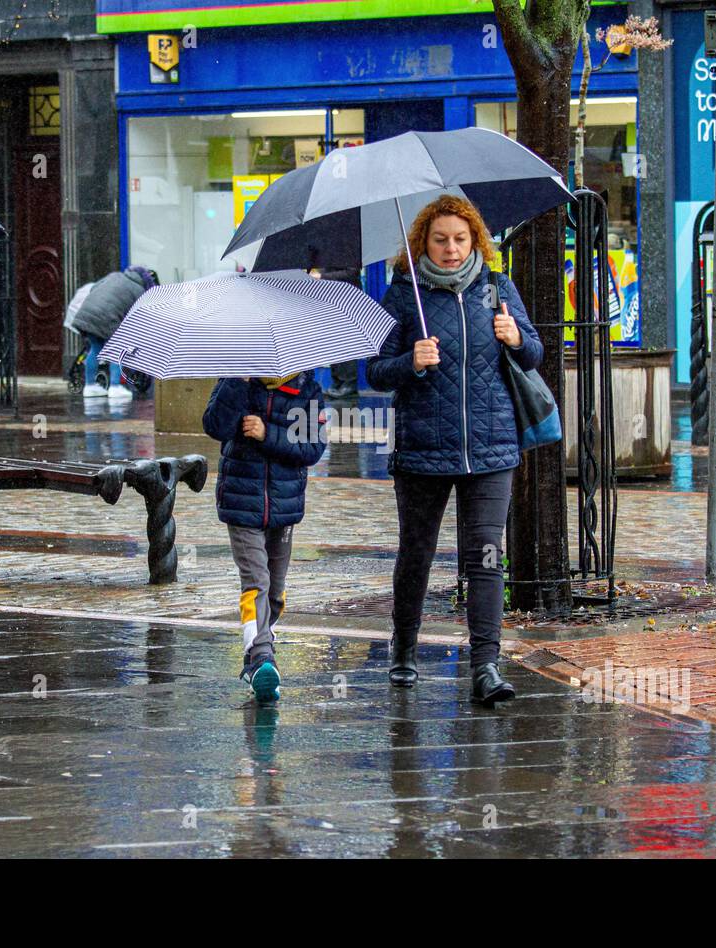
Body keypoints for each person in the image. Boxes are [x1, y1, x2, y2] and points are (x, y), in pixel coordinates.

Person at [367, 194, 543, 707]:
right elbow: (375, 372)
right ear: (422, 241)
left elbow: (534, 352)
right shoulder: (404, 297)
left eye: (459, 239)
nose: (450, 249)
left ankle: (486, 665)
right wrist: (411, 363)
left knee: (487, 557)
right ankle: (403, 647)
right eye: (440, 239)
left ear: (475, 242)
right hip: (423, 447)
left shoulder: (497, 288)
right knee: (416, 553)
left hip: (491, 447)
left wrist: (515, 337)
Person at [202, 371, 327, 702]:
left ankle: (255, 652)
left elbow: (312, 447)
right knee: (255, 581)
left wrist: (266, 432)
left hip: (284, 507)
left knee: (275, 590)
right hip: (242, 503)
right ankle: (262, 659)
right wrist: (236, 385)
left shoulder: (307, 390)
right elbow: (215, 426)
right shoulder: (236, 381)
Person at [69, 266, 156, 402]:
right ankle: (115, 387)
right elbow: (141, 315)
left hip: (88, 312)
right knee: (117, 348)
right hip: (107, 316)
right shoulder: (139, 290)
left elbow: (94, 288)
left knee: (95, 348)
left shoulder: (114, 276)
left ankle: (90, 386)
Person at [317, 267, 363, 399]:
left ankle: (349, 384)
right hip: (331, 297)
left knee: (345, 341)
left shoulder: (348, 248)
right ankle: (337, 382)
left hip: (347, 298)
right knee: (334, 341)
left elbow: (351, 273)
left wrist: (322, 277)